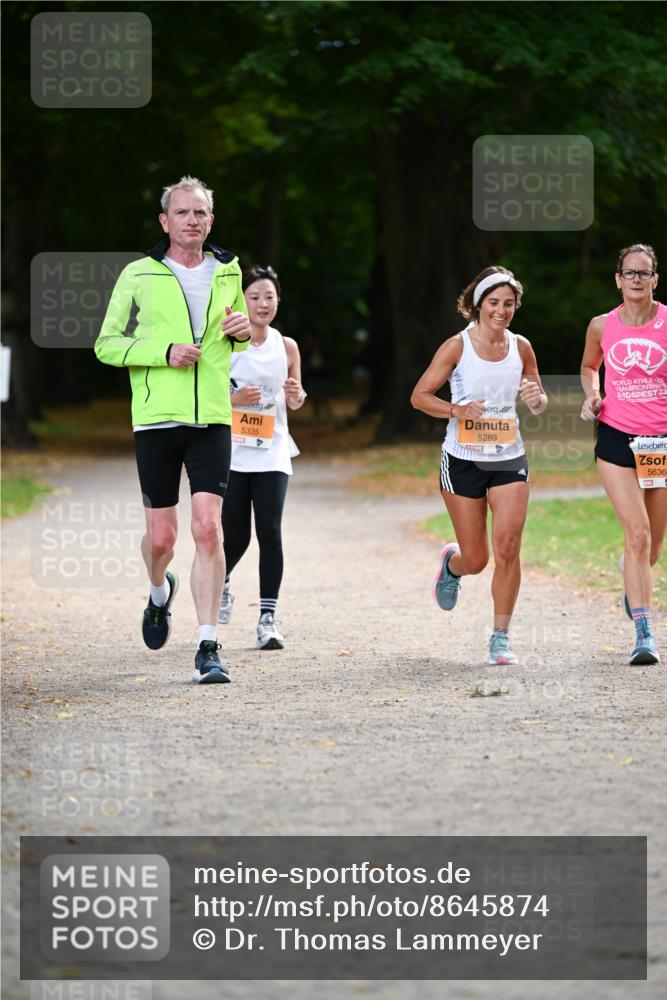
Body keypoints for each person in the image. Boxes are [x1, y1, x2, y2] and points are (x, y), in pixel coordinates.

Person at [95, 175, 251, 684]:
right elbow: (107, 344)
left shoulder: (228, 270)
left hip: (212, 417)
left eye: (200, 212)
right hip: (157, 419)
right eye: (182, 212)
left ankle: (208, 645)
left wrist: (243, 332)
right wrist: (162, 354)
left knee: (208, 526)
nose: (192, 220)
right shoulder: (139, 273)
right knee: (161, 537)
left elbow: (240, 335)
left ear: (211, 220)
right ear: (165, 221)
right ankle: (160, 592)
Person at [411, 266, 547, 665]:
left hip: (509, 458)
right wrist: (457, 409)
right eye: (494, 303)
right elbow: (419, 396)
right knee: (478, 559)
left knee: (507, 547)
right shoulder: (457, 347)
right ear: (478, 304)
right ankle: (453, 565)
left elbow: (537, 399)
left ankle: (500, 637)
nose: (501, 311)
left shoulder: (521, 347)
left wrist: (536, 398)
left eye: (508, 304)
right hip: (463, 460)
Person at [580, 243, 666, 666]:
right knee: (639, 534)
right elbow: (588, 366)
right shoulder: (601, 326)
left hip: (661, 443)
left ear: (655, 279)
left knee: (650, 548)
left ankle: (631, 574)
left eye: (643, 273)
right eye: (629, 272)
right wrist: (593, 396)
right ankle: (644, 633)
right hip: (616, 440)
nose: (636, 279)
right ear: (618, 279)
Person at [218, 266, 306, 649]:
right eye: (254, 297)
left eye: (269, 296)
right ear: (242, 301)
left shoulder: (286, 346)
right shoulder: (223, 344)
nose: (262, 304)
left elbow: (297, 398)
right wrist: (232, 400)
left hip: (272, 451)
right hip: (233, 452)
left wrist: (296, 395)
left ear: (278, 300)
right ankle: (220, 581)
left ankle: (267, 619)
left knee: (269, 531)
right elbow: (205, 396)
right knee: (234, 537)